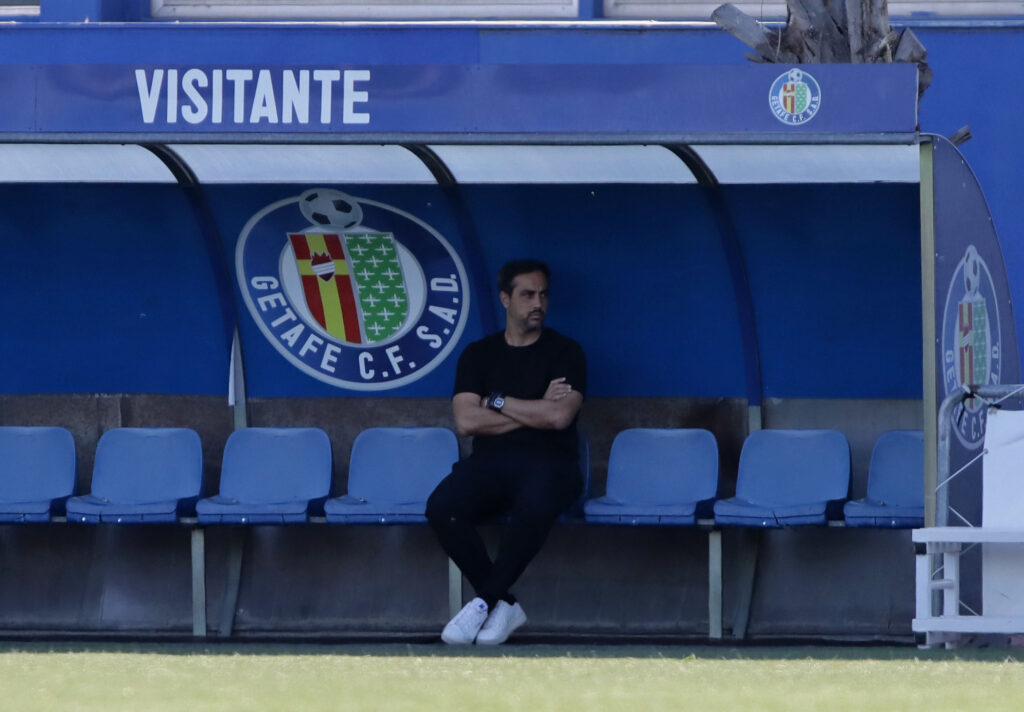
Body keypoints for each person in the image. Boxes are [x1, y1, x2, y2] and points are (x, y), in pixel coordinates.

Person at [425, 259, 586, 646]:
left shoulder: (566, 352)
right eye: (528, 294)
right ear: (505, 299)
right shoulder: (478, 355)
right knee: (441, 507)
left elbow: (559, 417)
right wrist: (533, 408)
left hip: (553, 463)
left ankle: (483, 601)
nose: (538, 303)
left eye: (543, 295)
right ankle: (504, 604)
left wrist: (496, 401)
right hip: (491, 463)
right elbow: (466, 421)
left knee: (535, 500)